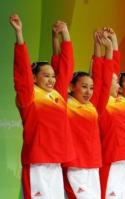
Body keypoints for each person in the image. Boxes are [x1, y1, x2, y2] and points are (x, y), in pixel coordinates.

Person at [10, 14, 75, 198]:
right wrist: (19, 34)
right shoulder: (28, 96)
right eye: (46, 75)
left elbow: (66, 66)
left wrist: (65, 35)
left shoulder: (58, 94)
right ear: (34, 77)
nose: (52, 79)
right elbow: (22, 71)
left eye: (53, 76)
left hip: (55, 163)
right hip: (36, 163)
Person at [92, 28, 125, 198]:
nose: (115, 83)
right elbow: (102, 75)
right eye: (113, 81)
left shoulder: (122, 102)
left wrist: (114, 42)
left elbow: (112, 69)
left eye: (116, 81)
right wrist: (101, 48)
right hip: (112, 162)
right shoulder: (100, 102)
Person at [52, 29, 103, 198]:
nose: (89, 91)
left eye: (91, 88)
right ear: (71, 86)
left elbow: (99, 75)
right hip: (74, 165)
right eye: (83, 87)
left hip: (93, 165)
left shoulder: (92, 106)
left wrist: (98, 46)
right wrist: (59, 38)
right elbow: (61, 69)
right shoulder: (63, 103)